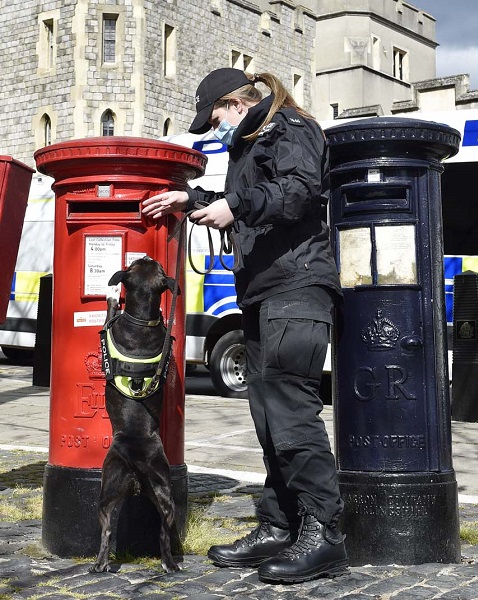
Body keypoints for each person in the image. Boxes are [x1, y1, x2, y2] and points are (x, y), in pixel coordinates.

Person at [142, 68, 348, 584]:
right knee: (267, 415)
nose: (215, 131)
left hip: (296, 286)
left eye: (215, 119)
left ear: (236, 103)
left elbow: (298, 191)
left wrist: (234, 205)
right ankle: (280, 525)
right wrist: (193, 200)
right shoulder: (253, 142)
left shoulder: (293, 127)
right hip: (262, 291)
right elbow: (255, 192)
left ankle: (325, 535)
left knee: (292, 412)